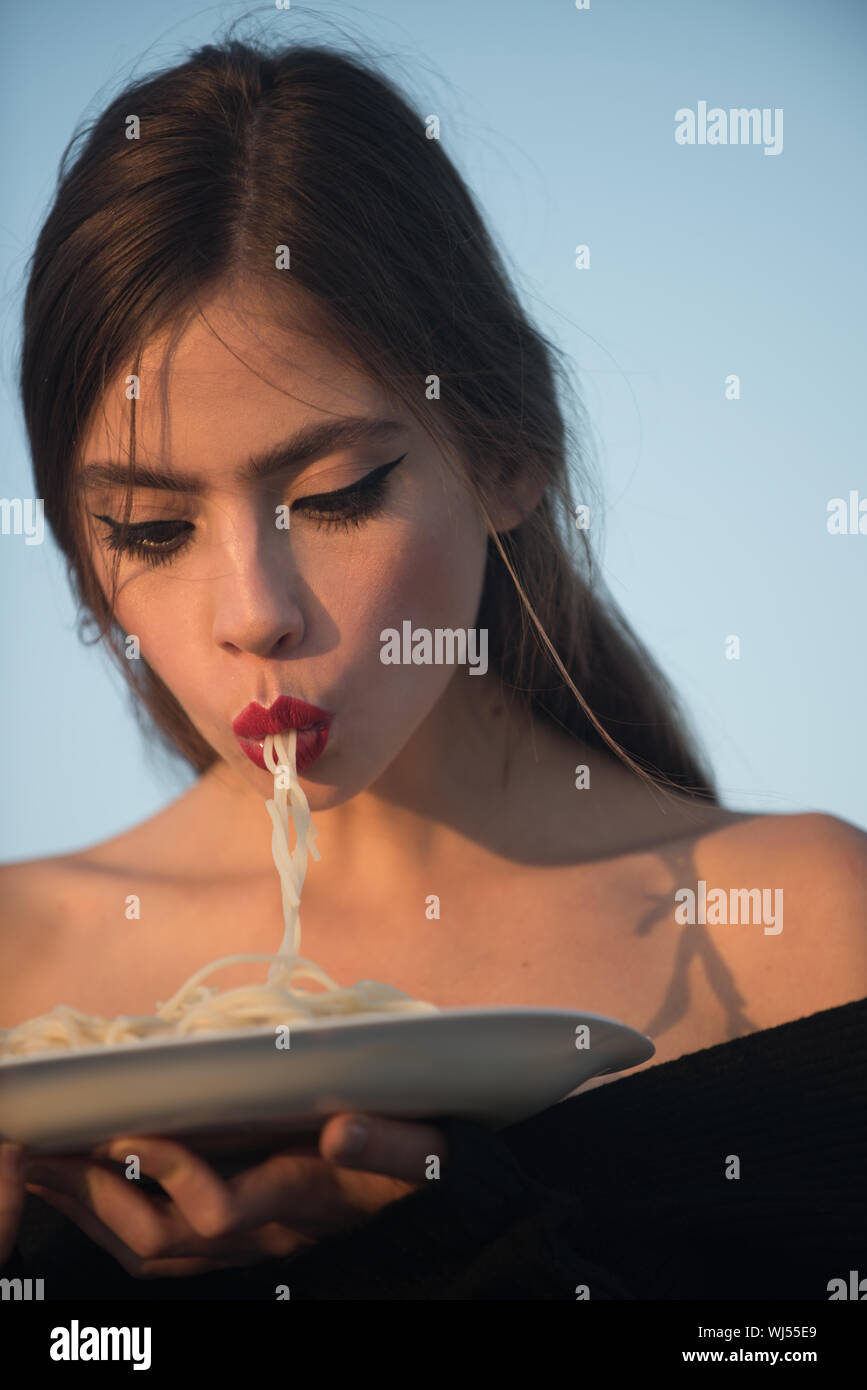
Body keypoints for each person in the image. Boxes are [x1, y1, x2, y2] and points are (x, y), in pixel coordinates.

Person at [1, 37, 864, 1299]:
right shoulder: (19, 965)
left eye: (339, 494)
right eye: (151, 529)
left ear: (510, 451)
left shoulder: (812, 932)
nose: (256, 615)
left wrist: (466, 1250)